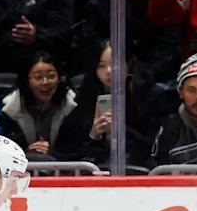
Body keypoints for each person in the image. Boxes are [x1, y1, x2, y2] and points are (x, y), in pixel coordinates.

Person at [58, 41, 154, 170]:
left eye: (115, 64)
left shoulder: (146, 96)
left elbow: (153, 145)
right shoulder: (86, 98)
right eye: (101, 66)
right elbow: (66, 150)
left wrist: (123, 131)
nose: (108, 71)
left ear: (128, 64)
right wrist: (94, 135)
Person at [0, 52, 77, 161]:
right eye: (38, 77)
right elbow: (3, 151)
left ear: (59, 79)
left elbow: (77, 151)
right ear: (27, 82)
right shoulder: (11, 109)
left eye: (51, 76)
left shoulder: (72, 106)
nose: (45, 82)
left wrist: (52, 154)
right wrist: (27, 153)